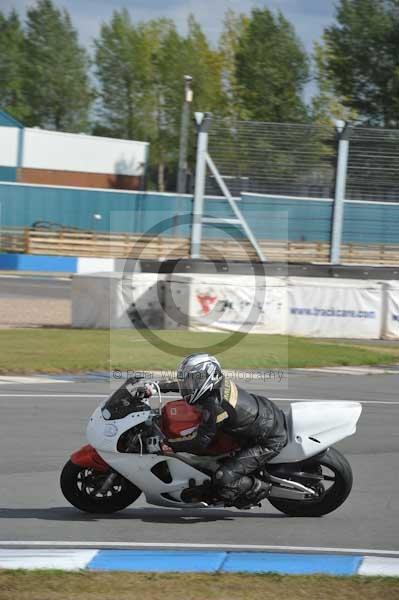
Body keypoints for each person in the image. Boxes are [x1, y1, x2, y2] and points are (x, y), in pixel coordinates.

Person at [152, 353, 288, 509]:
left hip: (269, 439)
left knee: (223, 478)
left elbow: (200, 441)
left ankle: (255, 489)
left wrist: (170, 445)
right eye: (188, 380)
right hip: (261, 417)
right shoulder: (215, 385)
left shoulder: (215, 405)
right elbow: (184, 385)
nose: (188, 384)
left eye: (193, 379)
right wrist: (156, 387)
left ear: (206, 378)